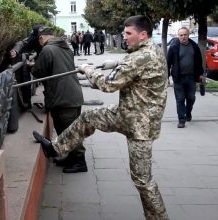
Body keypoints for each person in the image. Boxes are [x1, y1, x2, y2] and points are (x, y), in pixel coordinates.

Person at [33, 15, 169, 219]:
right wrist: (114, 63)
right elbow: (135, 68)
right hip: (128, 114)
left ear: (143, 34)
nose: (125, 36)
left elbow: (107, 85)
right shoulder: (149, 50)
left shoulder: (140, 57)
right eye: (124, 33)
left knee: (142, 180)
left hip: (140, 125)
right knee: (89, 117)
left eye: (129, 33)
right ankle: (55, 148)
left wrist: (88, 69)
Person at [31, 26, 88, 173]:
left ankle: (80, 162)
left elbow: (38, 71)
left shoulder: (47, 50)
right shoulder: (64, 47)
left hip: (62, 97)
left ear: (41, 38)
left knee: (70, 131)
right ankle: (71, 157)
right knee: (66, 130)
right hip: (71, 94)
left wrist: (31, 65)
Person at [167, 27, 204, 128]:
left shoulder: (194, 46)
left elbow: (199, 61)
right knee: (180, 99)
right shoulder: (174, 47)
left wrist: (201, 74)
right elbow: (168, 62)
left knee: (191, 98)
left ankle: (188, 112)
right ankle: (181, 120)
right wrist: (167, 76)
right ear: (178, 36)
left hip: (192, 77)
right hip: (178, 77)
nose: (183, 37)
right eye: (181, 35)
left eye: (185, 35)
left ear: (188, 35)